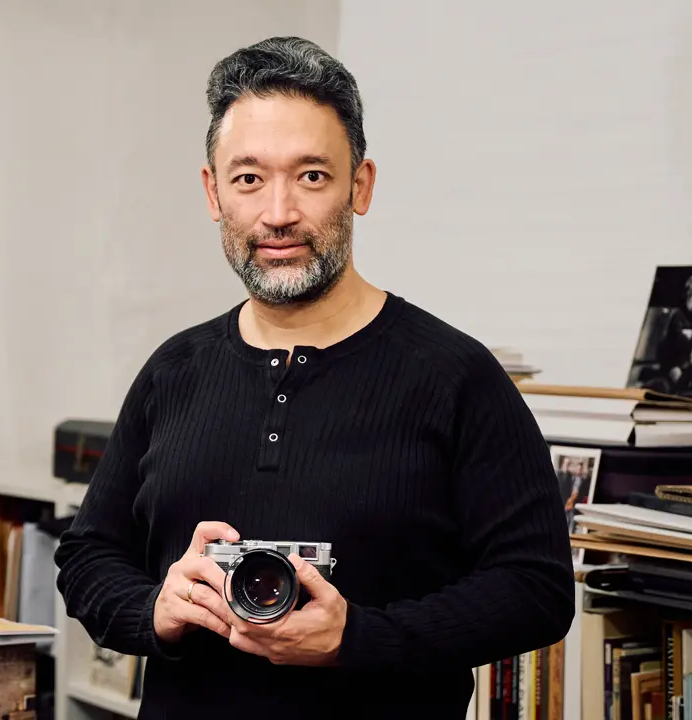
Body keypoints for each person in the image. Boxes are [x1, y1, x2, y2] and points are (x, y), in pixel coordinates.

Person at [53, 35, 576, 719]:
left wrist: (357, 637)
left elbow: (536, 590)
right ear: (213, 193)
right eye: (248, 179)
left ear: (360, 186)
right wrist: (156, 608)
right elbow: (88, 555)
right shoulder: (172, 372)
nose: (278, 214)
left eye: (311, 176)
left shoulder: (457, 376)